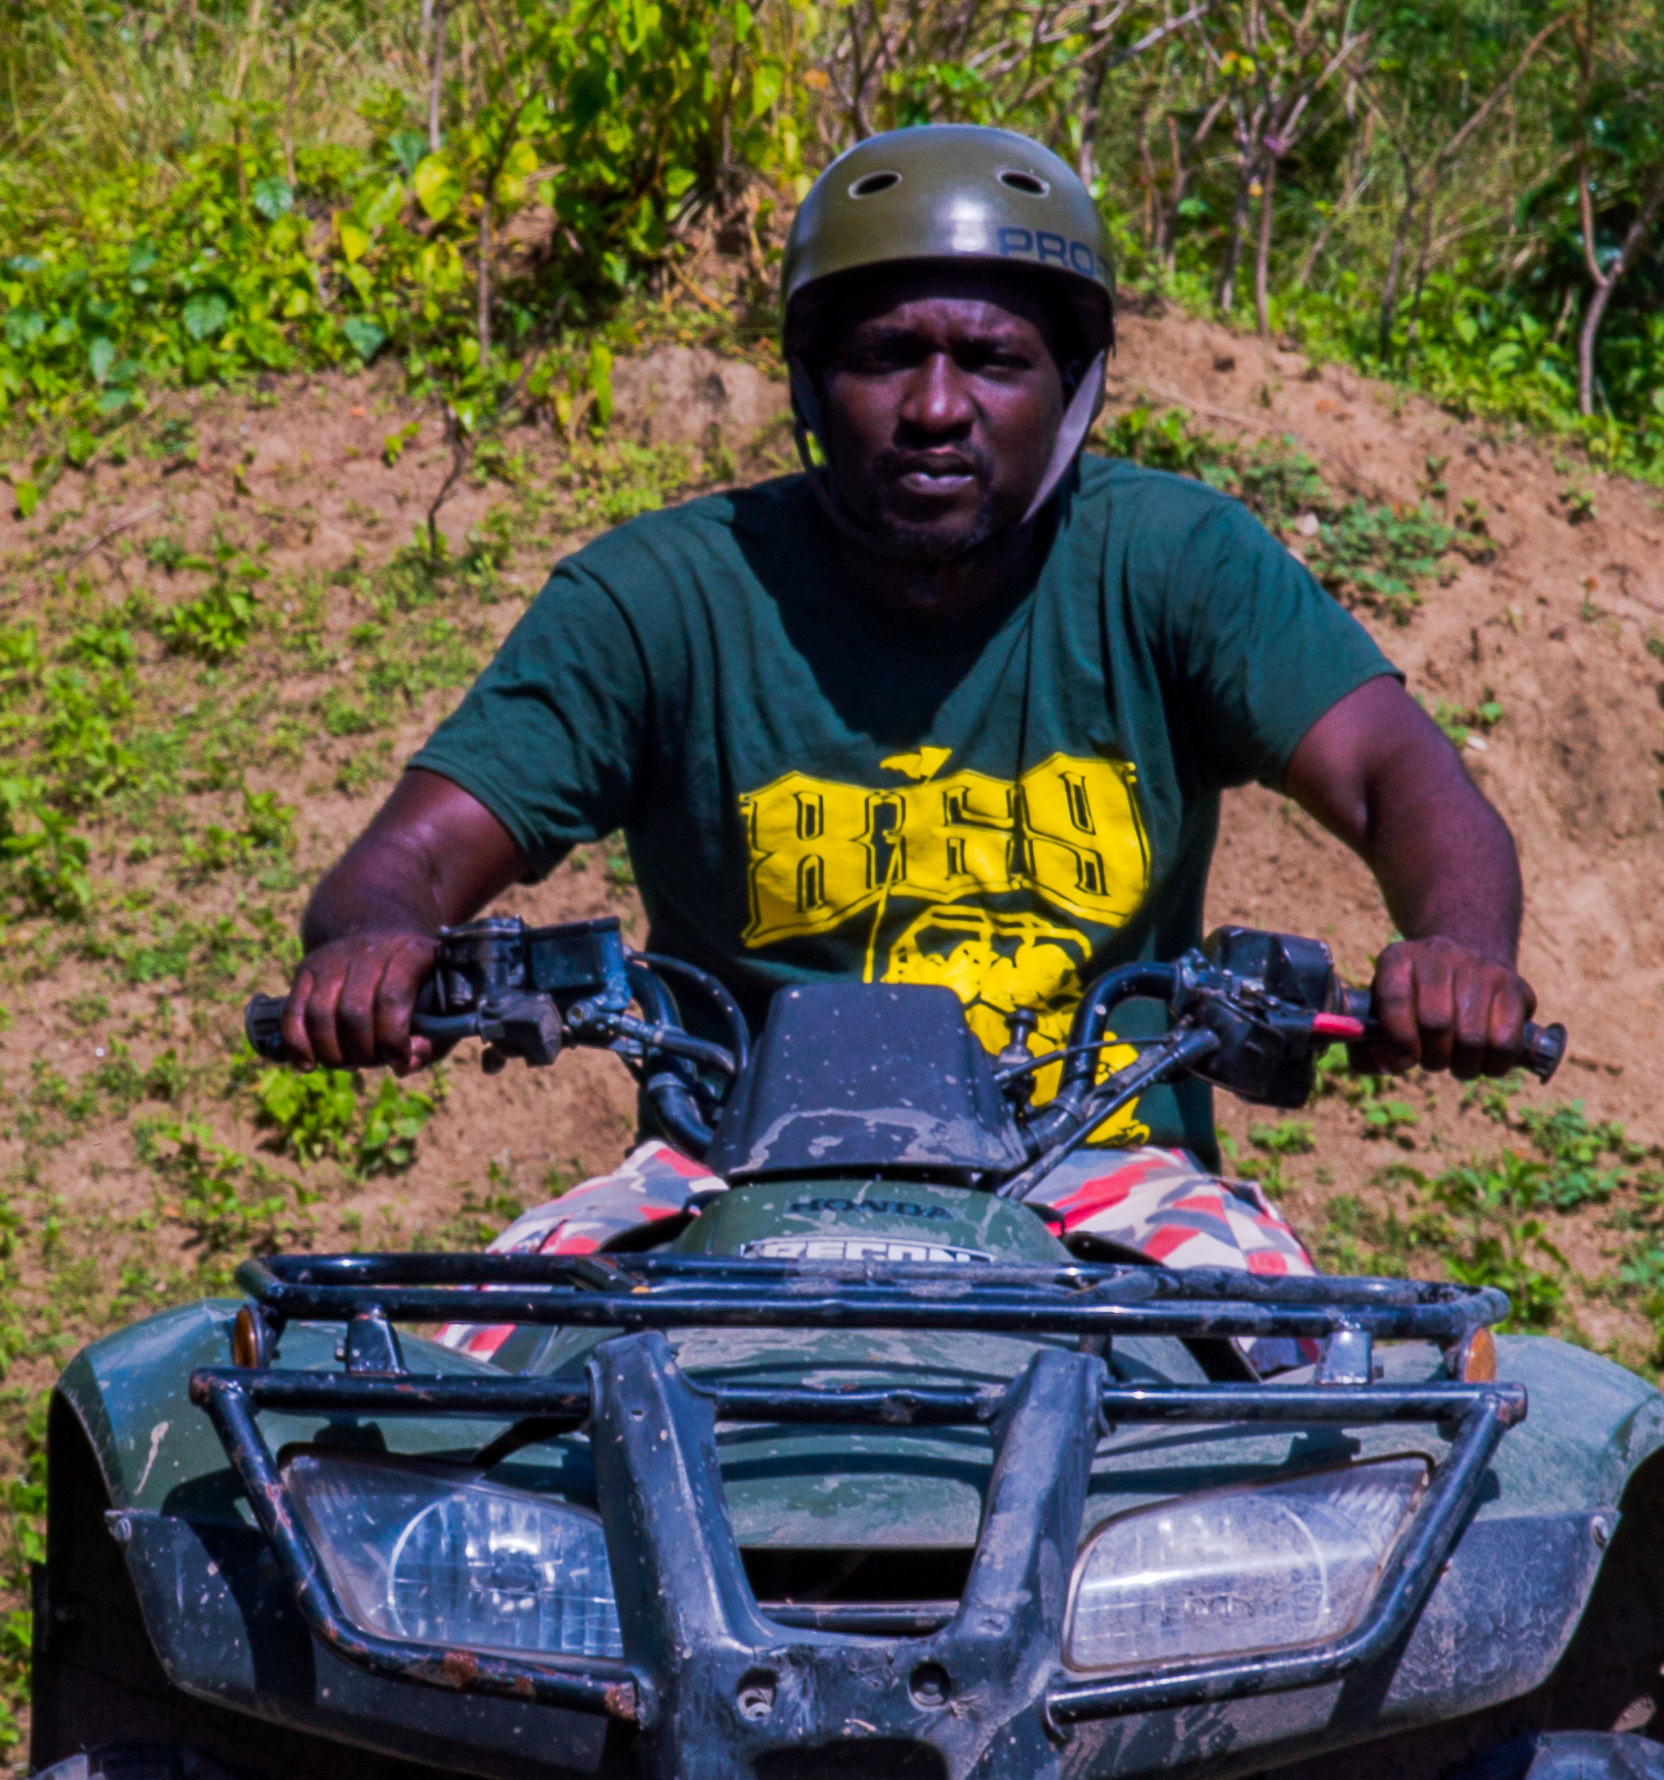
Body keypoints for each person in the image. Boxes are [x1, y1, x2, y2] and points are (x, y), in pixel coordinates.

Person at [278, 125, 1534, 1352]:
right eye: (887, 357)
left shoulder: (1172, 565)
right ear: (813, 379)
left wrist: (1457, 950)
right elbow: (411, 858)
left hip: (1108, 1177)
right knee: (450, 1394)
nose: (937, 407)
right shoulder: (661, 597)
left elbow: (1392, 775)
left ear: (1074, 385)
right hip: (722, 1183)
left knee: (1313, 1414)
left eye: (992, 361)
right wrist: (377, 943)